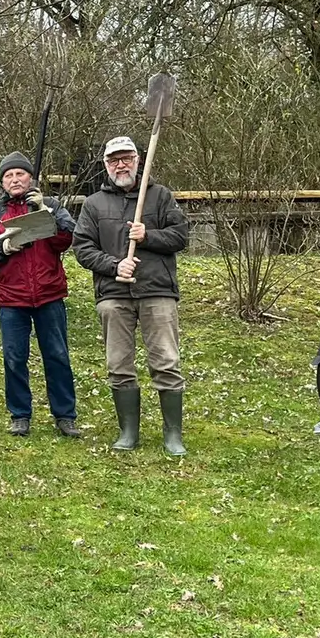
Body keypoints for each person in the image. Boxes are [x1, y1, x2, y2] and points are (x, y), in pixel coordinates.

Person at [73, 135, 192, 455]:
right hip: (113, 295)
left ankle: (173, 435)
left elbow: (181, 236)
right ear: (105, 165)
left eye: (126, 158)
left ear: (138, 161)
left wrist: (147, 235)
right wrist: (114, 266)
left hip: (157, 290)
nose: (120, 164)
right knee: (119, 364)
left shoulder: (160, 196)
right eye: (114, 160)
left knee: (166, 362)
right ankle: (128, 432)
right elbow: (82, 249)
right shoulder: (93, 204)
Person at [0, 151, 81, 439]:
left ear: (30, 177)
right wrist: (3, 249)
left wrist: (44, 213)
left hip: (49, 294)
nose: (14, 179)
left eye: (19, 173)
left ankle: (65, 415)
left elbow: (67, 239)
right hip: (12, 299)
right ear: (2, 183)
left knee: (57, 356)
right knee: (14, 358)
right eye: (8, 176)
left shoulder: (52, 205)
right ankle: (20, 414)